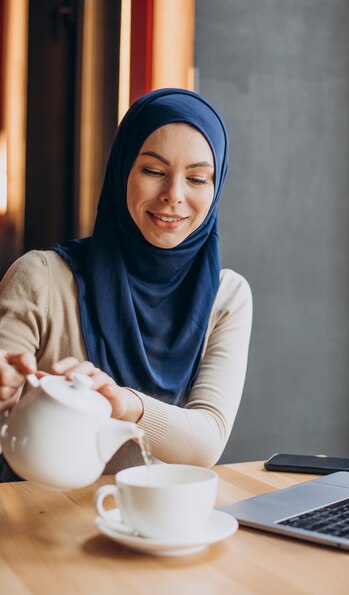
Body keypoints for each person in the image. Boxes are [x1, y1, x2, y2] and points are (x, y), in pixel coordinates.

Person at [0, 88, 252, 481]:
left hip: (158, 525)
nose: (174, 196)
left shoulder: (227, 296)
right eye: (153, 171)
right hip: (39, 523)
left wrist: (122, 402)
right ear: (122, 172)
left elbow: (207, 441)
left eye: (198, 178)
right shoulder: (41, 279)